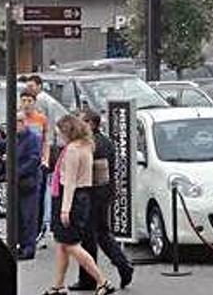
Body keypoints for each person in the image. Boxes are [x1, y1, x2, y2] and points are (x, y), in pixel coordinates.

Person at [44, 115, 115, 295]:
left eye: (60, 132)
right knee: (62, 243)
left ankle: (102, 281)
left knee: (71, 244)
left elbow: (70, 181)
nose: (58, 136)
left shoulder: (73, 150)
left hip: (72, 197)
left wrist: (65, 208)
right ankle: (58, 285)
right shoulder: (87, 145)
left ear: (69, 132)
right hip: (83, 196)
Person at [71, 110, 133, 291]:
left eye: (81, 121)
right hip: (103, 194)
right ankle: (122, 265)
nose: (78, 124)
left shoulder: (91, 144)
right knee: (102, 233)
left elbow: (92, 172)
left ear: (91, 123)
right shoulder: (105, 142)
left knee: (89, 237)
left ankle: (89, 279)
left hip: (91, 195)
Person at [20, 90, 51, 242]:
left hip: (38, 162)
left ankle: (39, 229)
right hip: (23, 163)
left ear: (34, 102)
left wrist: (46, 159)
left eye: (29, 101)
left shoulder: (41, 119)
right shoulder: (18, 119)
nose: (26, 104)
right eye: (23, 100)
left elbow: (46, 140)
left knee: (39, 196)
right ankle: (24, 234)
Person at [17, 111, 43, 260]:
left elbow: (34, 159)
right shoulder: (13, 137)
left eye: (19, 122)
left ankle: (29, 247)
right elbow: (2, 147)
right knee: (18, 217)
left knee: (29, 216)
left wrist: (17, 172)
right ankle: (20, 244)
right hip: (16, 184)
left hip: (29, 182)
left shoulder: (33, 138)